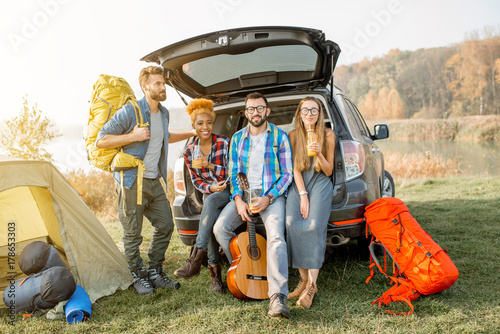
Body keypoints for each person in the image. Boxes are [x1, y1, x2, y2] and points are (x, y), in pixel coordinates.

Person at [96, 66, 195, 295]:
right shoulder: (130, 111)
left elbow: (164, 136)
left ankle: (154, 271)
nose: (163, 87)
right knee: (133, 233)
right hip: (131, 181)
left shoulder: (164, 113)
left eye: (163, 83)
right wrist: (133, 136)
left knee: (166, 225)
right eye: (158, 84)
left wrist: (190, 134)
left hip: (153, 181)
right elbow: (101, 140)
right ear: (145, 86)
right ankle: (137, 275)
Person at [213, 92, 293, 318]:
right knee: (220, 228)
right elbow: (233, 172)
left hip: (271, 195)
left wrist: (269, 197)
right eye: (251, 109)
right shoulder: (237, 139)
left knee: (276, 236)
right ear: (245, 112)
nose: (255, 113)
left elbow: (287, 174)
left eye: (259, 108)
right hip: (244, 195)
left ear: (267, 111)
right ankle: (243, 271)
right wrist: (238, 200)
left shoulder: (280, 137)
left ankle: (278, 296)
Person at [174, 98, 230, 293]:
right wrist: (209, 188)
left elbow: (231, 172)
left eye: (209, 123)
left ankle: (195, 260)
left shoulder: (223, 142)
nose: (205, 127)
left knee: (211, 202)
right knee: (210, 214)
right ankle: (216, 279)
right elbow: (196, 181)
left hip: (228, 190)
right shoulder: (189, 151)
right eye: (200, 123)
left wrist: (210, 165)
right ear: (193, 126)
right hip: (211, 193)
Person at [285, 96, 335, 309]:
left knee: (314, 226)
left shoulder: (328, 135)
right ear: (299, 113)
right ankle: (303, 279)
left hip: (321, 182)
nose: (309, 114)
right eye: (305, 110)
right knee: (291, 224)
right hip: (300, 184)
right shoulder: (294, 135)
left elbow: (329, 170)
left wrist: (320, 153)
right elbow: (295, 168)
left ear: (319, 113)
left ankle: (312, 287)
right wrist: (302, 194)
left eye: (313, 110)